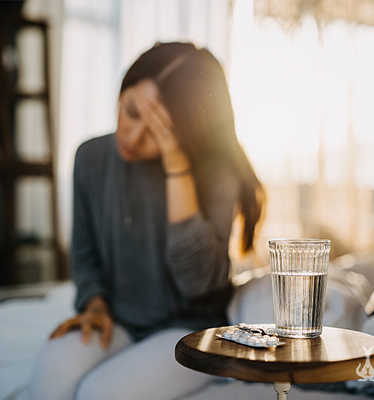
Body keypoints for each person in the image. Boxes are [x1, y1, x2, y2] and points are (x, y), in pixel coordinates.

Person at [29, 42, 264, 400]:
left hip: (192, 329)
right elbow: (85, 254)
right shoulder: (90, 157)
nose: (133, 137)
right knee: (53, 368)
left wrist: (176, 167)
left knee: (99, 393)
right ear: (123, 89)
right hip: (119, 321)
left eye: (157, 131)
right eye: (132, 111)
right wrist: (94, 303)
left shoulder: (216, 172)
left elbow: (199, 283)